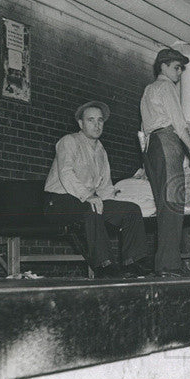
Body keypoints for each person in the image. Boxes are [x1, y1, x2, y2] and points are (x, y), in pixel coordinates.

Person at [45, 101, 151, 278]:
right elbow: (66, 173)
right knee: (92, 208)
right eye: (91, 120)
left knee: (131, 210)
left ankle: (133, 264)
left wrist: (116, 206)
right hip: (59, 201)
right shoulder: (69, 141)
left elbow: (105, 186)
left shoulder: (101, 150)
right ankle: (105, 267)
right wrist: (88, 195)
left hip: (86, 201)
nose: (96, 125)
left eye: (100, 120)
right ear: (81, 123)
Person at [140, 48, 190, 277]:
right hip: (166, 142)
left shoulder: (148, 89)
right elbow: (178, 123)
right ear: (163, 67)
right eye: (176, 67)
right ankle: (169, 265)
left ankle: (167, 263)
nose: (179, 73)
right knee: (173, 204)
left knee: (165, 205)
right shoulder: (166, 87)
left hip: (152, 146)